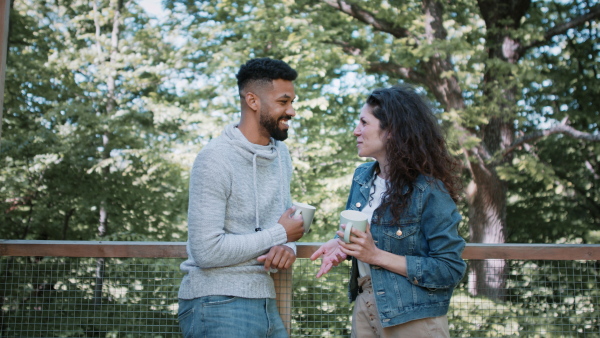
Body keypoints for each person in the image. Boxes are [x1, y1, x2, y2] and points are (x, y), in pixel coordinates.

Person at [310, 85, 467, 337]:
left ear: (391, 130)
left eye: (364, 122)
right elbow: (369, 238)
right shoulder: (362, 177)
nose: (356, 131)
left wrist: (375, 255)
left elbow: (449, 269)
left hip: (412, 317)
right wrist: (342, 244)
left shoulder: (429, 190)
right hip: (365, 305)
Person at [178, 57, 305, 338]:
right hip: (215, 303)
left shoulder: (280, 155)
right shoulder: (214, 159)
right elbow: (206, 251)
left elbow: (282, 228)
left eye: (293, 101)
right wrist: (279, 235)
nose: (292, 111)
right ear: (253, 100)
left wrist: (288, 248)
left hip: (265, 301)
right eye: (284, 102)